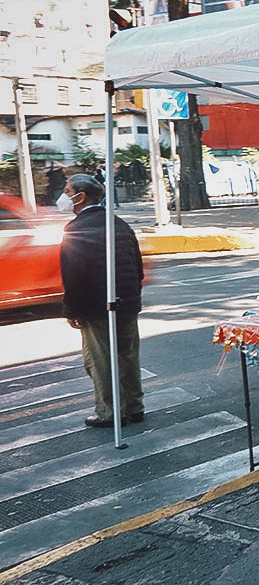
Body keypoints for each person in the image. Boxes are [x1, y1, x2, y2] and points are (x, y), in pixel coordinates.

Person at [58, 174, 145, 429]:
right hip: (128, 301)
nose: (63, 196)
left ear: (80, 196)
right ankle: (134, 407)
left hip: (98, 305)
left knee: (101, 361)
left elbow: (73, 275)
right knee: (127, 356)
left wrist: (72, 310)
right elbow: (137, 266)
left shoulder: (76, 229)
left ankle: (110, 412)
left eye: (67, 190)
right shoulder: (118, 223)